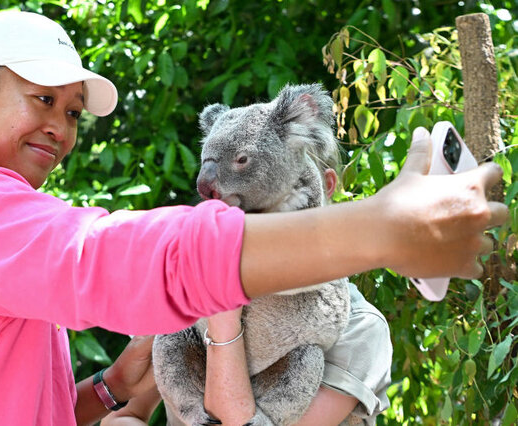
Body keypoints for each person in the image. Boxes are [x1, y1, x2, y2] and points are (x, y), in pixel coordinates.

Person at [0, 9, 507, 426]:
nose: (59, 127)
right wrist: (380, 231)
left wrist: (109, 389)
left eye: (73, 112)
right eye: (42, 99)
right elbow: (112, 257)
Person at [104, 170, 393, 426]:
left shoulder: (359, 327)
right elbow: (121, 416)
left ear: (325, 185)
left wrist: (222, 315)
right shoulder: (190, 287)